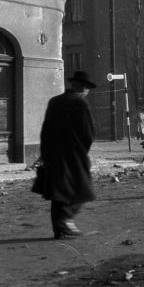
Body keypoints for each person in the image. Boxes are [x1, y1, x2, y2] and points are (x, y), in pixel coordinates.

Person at [32, 70, 97, 239]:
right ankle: (66, 221)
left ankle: (59, 230)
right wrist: (82, 152)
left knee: (58, 192)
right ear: (83, 88)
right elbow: (88, 134)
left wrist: (45, 153)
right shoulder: (81, 104)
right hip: (74, 155)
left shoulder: (54, 102)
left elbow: (45, 130)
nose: (87, 92)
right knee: (84, 188)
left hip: (53, 154)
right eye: (87, 88)